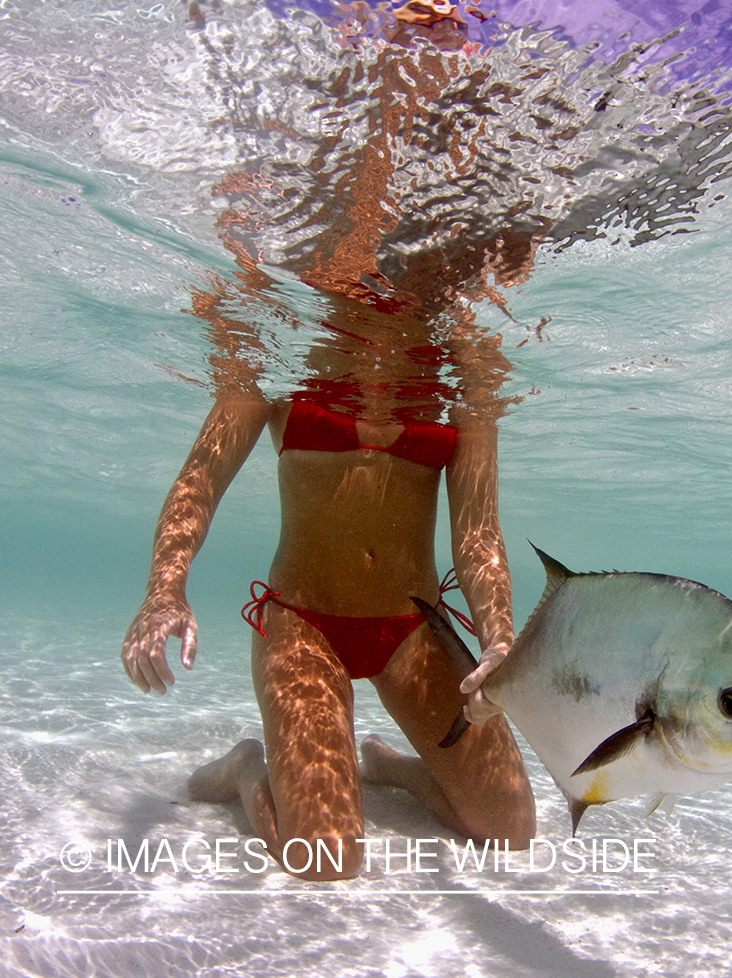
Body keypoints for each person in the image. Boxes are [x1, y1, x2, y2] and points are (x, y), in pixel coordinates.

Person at [120, 0, 535, 881]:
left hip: (412, 625)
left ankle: (396, 767)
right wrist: (164, 593)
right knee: (324, 860)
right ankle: (248, 771)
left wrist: (499, 637)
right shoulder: (283, 348)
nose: (392, 294)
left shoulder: (464, 362)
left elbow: (478, 530)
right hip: (303, 619)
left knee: (508, 828)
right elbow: (200, 480)